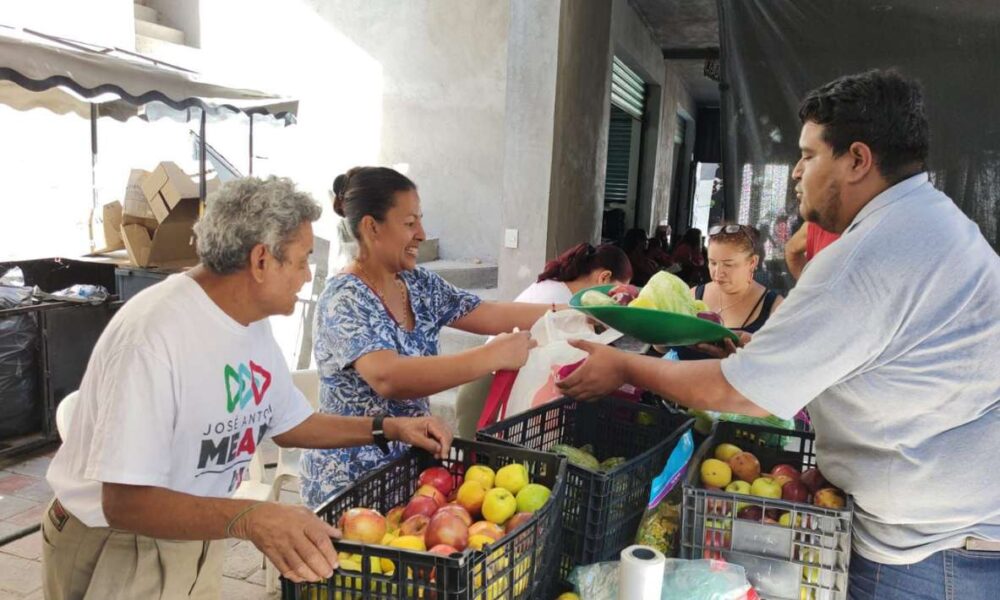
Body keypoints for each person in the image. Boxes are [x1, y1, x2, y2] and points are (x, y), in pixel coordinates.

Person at [557, 69, 1000, 599]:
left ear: (858, 160)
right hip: (965, 529)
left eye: (809, 155)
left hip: (928, 551)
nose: (796, 172)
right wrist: (760, 352)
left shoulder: (865, 258)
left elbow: (740, 394)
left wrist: (625, 366)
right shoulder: (935, 222)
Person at [41, 177, 453, 597]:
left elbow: (290, 423)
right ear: (261, 261)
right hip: (122, 545)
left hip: (197, 531)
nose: (307, 276)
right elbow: (124, 502)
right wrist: (252, 517)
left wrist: (390, 426)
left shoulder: (250, 324)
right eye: (301, 260)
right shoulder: (154, 336)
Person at [301, 167, 555, 508]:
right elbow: (388, 376)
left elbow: (490, 313)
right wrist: (492, 356)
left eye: (420, 221)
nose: (421, 233)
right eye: (409, 224)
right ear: (371, 227)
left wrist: (581, 311)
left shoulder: (417, 284)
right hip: (351, 486)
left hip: (410, 475)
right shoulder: (344, 298)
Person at [676, 223, 783, 360]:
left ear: (752, 262)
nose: (718, 273)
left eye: (728, 264)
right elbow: (661, 346)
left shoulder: (776, 308)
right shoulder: (693, 294)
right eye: (713, 263)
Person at [514, 242, 632, 304]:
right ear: (604, 278)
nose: (615, 300)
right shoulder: (565, 305)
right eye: (615, 293)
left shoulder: (552, 285)